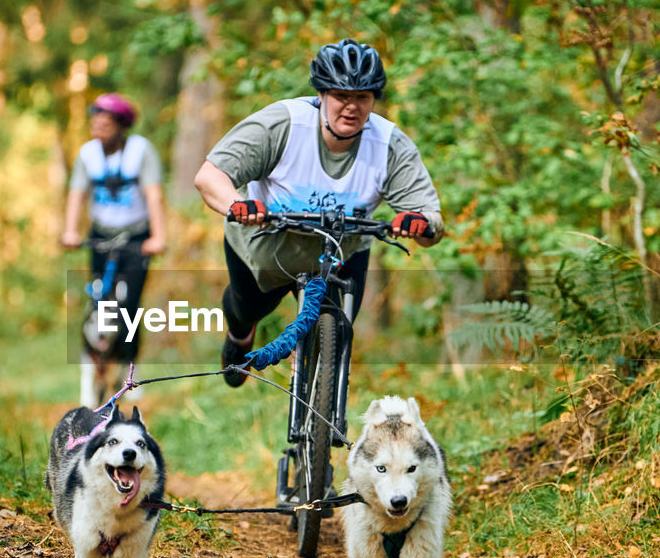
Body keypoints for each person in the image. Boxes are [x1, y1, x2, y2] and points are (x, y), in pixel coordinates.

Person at [193, 39, 443, 387]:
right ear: (322, 95)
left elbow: (427, 217)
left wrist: (419, 223)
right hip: (266, 247)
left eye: (363, 98)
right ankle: (239, 335)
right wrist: (239, 204)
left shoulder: (389, 145)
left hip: (340, 252)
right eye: (342, 96)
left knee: (336, 334)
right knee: (246, 308)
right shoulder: (282, 124)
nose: (351, 107)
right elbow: (210, 176)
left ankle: (316, 419)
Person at [62, 93, 166, 400]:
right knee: (100, 301)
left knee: (130, 306)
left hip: (136, 237)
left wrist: (157, 237)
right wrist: (70, 231)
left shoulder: (141, 151)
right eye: (95, 123)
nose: (98, 129)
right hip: (100, 236)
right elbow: (76, 195)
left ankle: (131, 370)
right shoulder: (88, 154)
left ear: (121, 126)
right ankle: (98, 367)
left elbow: (154, 195)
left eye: (105, 124)